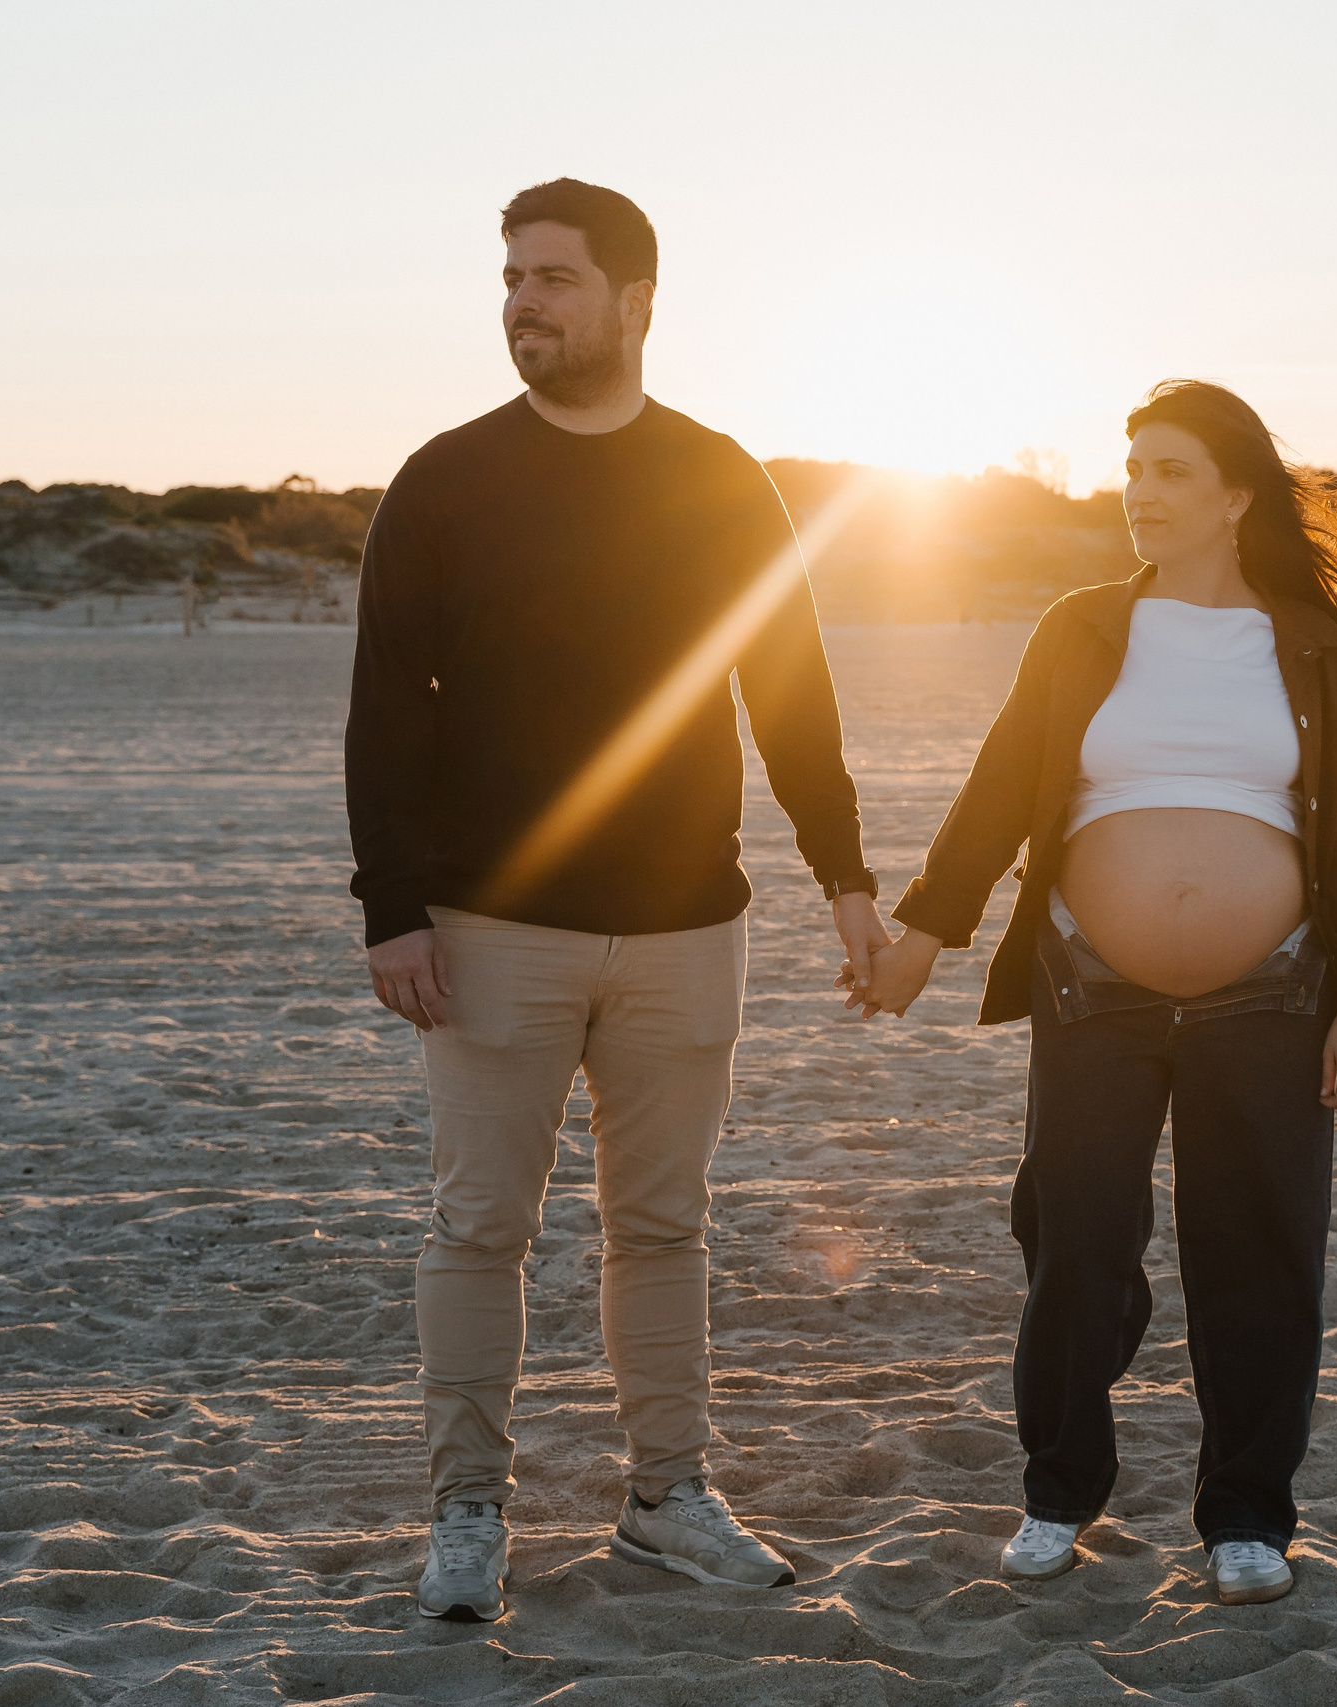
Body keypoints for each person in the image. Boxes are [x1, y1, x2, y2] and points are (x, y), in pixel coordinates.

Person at [346, 178, 890, 1623]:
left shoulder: (720, 478)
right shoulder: (445, 479)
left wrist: (844, 879)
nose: (523, 301)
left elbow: (790, 690)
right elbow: (387, 709)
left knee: (664, 1223)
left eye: (556, 279)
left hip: (685, 923)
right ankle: (469, 1510)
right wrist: (390, 907)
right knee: (480, 1225)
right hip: (489, 925)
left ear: (637, 301)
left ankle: (667, 1496)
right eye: (512, 276)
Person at [846, 380, 1337, 1606]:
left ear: (1234, 496)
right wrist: (921, 943)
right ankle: (1059, 1493)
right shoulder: (1084, 625)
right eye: (1131, 468)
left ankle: (1247, 1518)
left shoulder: (1307, 638)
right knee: (1074, 1244)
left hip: (1272, 993)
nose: (1137, 493)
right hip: (1088, 986)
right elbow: (1000, 789)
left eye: (1167, 472)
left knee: (1259, 1253)